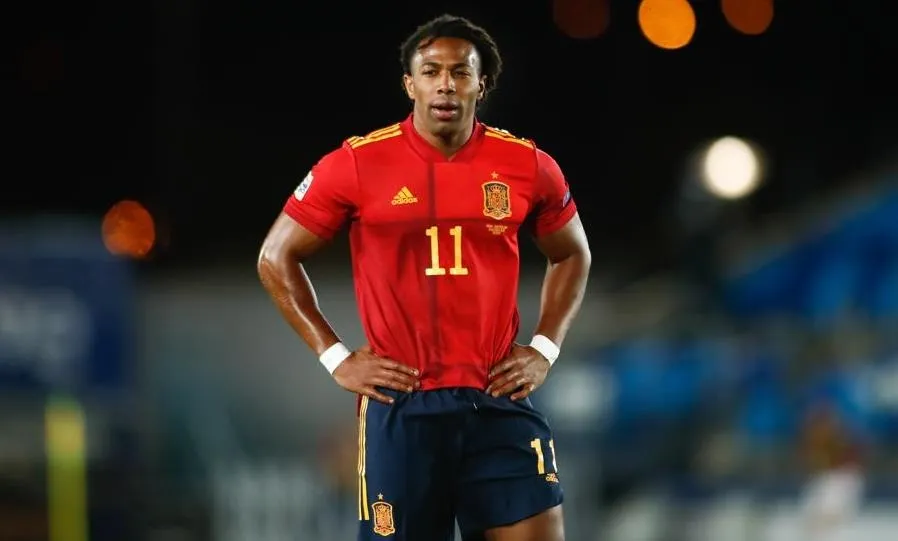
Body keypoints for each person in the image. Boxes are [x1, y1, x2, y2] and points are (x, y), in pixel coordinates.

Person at [257, 14, 591, 541]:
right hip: (403, 405)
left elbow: (572, 253)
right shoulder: (356, 164)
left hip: (497, 396)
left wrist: (545, 349)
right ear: (410, 84)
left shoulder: (527, 165)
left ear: (482, 84)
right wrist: (336, 357)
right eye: (431, 71)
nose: (446, 84)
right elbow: (275, 257)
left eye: (461, 72)